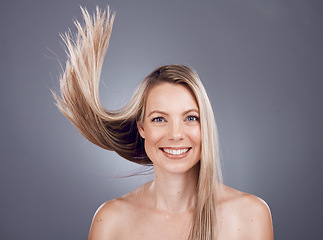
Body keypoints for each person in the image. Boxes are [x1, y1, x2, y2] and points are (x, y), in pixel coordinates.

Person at [53, 6, 273, 240]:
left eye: (190, 118)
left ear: (205, 126)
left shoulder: (251, 215)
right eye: (159, 119)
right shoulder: (111, 221)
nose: (176, 134)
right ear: (142, 128)